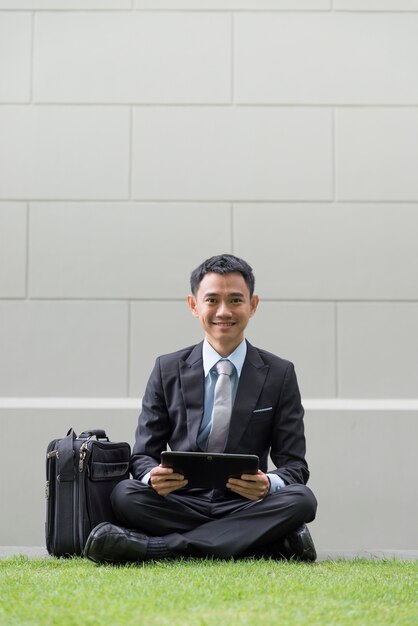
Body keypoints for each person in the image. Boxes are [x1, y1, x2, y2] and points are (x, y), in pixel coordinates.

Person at [84, 254, 317, 563]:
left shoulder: (279, 373)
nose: (224, 312)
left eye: (235, 300)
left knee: (302, 500)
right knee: (125, 495)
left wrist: (267, 484)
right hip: (179, 501)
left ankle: (162, 547)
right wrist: (151, 477)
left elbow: (295, 467)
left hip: (245, 503)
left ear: (253, 304)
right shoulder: (167, 369)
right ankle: (261, 542)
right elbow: (142, 456)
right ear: (194, 305)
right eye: (212, 300)